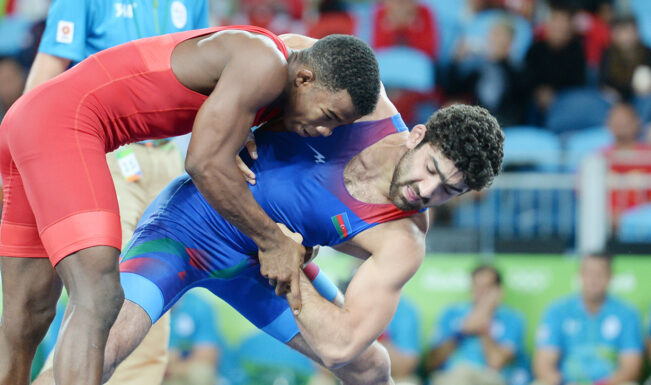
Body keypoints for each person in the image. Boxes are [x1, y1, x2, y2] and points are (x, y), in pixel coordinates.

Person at [31, 48, 504, 383]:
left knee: (370, 367)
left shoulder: (403, 240)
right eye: (431, 171)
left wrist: (287, 263)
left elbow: (339, 345)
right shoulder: (363, 102)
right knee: (107, 345)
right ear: (418, 135)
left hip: (265, 268)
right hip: (187, 227)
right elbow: (257, 58)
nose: (426, 192)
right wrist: (231, 123)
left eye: (449, 191)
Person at [0, 25, 382, 385]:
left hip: (31, 119)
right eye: (328, 115)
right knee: (100, 295)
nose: (325, 129)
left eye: (336, 127)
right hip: (67, 124)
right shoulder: (266, 64)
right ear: (305, 78)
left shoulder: (269, 72)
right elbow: (203, 163)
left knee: (27, 316)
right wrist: (273, 242)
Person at [23, 1, 209, 381]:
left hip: (169, 157)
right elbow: (46, 72)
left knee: (153, 299)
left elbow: (205, 75)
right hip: (105, 152)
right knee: (110, 294)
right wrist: (27, 164)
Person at [532, 252, 643, 385]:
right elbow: (543, 363)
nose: (594, 279)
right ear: (579, 275)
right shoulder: (557, 310)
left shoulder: (627, 313)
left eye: (600, 274)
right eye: (589, 273)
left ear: (610, 277)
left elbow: (631, 367)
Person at [427, 265, 526, 385]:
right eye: (477, 287)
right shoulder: (452, 313)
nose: (481, 292)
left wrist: (483, 328)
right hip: (453, 376)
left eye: (487, 287)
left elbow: (496, 362)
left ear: (499, 290)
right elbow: (431, 363)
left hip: (491, 379)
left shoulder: (512, 319)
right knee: (460, 375)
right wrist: (462, 332)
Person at [524, 2, 586, 124]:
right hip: (537, 101)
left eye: (563, 24)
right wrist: (539, 92)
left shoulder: (577, 51)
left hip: (566, 100)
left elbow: (578, 82)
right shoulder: (535, 49)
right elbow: (526, 79)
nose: (560, 28)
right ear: (548, 26)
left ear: (570, 28)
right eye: (556, 23)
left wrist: (556, 95)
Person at [163, 292, 221, 385]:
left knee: (201, 373)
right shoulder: (139, 305)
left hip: (180, 369)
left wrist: (174, 367)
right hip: (146, 368)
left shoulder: (199, 305)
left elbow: (207, 356)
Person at [378, 298, 421, 385]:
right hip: (348, 376)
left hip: (388, 377)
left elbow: (404, 368)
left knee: (406, 383)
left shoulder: (403, 308)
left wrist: (376, 335)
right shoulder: (345, 302)